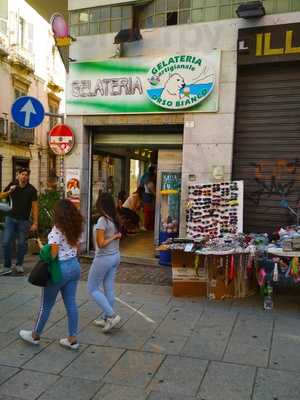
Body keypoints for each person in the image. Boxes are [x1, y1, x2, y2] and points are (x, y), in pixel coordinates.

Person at [19, 199, 84, 350]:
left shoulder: (56, 230)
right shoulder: (76, 227)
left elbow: (52, 255)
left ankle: (35, 335)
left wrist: (43, 248)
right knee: (71, 303)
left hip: (59, 269)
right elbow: (77, 248)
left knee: (46, 305)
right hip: (74, 265)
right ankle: (72, 339)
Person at [88, 192, 122, 333]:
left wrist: (113, 237)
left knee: (93, 288)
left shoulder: (103, 220)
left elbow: (101, 244)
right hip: (115, 257)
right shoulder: (115, 219)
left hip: (104, 258)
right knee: (108, 287)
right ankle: (105, 318)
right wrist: (114, 236)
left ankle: (111, 315)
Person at [0, 168, 38, 274]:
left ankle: (19, 264)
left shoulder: (32, 190)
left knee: (22, 244)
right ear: (18, 175)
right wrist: (9, 191)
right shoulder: (12, 185)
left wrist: (35, 223)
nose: (24, 176)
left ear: (28, 177)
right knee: (6, 242)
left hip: (24, 221)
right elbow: (1, 196)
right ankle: (7, 267)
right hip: (10, 218)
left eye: (26, 175)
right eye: (22, 174)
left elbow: (35, 207)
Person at [139, 166, 156, 231]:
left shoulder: (146, 175)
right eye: (156, 170)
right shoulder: (148, 176)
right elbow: (150, 186)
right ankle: (146, 227)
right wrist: (155, 194)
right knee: (148, 212)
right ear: (153, 171)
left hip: (145, 197)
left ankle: (147, 226)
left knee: (147, 212)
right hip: (147, 198)